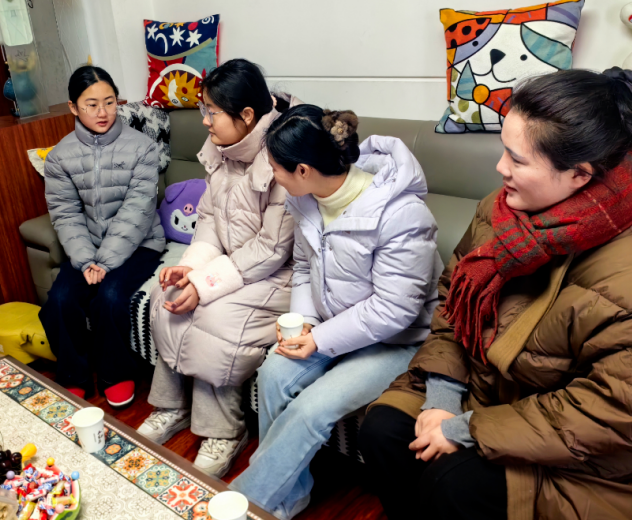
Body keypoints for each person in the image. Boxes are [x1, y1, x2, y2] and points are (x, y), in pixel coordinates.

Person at [358, 68, 632, 520]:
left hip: (580, 449)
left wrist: (467, 430)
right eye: (503, 150)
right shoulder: (500, 209)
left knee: (455, 482)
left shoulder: (621, 274)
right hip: (483, 389)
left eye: (517, 160)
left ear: (579, 175)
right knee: (383, 431)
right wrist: (443, 396)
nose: (501, 168)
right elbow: (453, 299)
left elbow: (609, 408)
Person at [230, 104, 443, 519]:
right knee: (273, 373)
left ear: (303, 170)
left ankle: (247, 503)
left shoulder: (401, 214)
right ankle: (290, 495)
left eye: (275, 167)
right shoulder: (306, 201)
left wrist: (319, 340)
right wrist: (305, 323)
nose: (272, 176)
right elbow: (304, 266)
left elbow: (394, 309)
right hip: (331, 327)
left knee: (311, 409)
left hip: (398, 342)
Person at [136, 59, 297, 477]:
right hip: (234, 265)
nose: (204, 120)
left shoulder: (283, 154)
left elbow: (271, 250)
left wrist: (207, 285)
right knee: (167, 294)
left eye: (212, 111)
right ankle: (170, 407)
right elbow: (208, 221)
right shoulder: (222, 151)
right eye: (203, 109)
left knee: (215, 319)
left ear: (248, 116)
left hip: (280, 276)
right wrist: (190, 269)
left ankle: (225, 431)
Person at [39, 66, 164, 406]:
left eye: (109, 102)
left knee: (110, 297)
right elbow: (65, 213)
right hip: (87, 248)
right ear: (73, 107)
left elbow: (138, 210)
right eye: (91, 104)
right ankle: (73, 375)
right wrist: (85, 260)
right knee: (60, 299)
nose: (103, 112)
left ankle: (116, 374)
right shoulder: (60, 156)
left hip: (139, 243)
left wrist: (105, 262)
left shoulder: (142, 147)